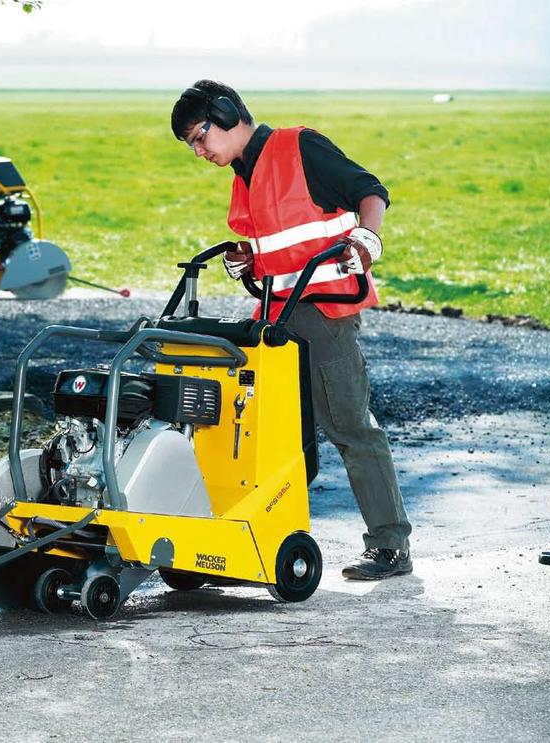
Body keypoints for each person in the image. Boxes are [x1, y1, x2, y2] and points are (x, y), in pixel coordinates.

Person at [171, 81, 412, 580]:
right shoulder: (244, 177)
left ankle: (390, 545)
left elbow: (370, 190)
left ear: (226, 112)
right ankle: (246, 543)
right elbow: (288, 245)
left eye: (200, 136)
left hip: (324, 315)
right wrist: (250, 262)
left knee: (349, 427)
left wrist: (367, 237)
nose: (199, 152)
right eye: (192, 144)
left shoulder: (299, 146)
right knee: (261, 434)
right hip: (274, 318)